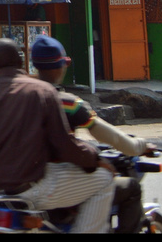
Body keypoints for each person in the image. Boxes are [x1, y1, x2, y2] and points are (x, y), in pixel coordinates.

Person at [0, 39, 115, 234]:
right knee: (105, 179)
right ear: (21, 61)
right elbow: (63, 144)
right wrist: (92, 158)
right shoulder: (42, 91)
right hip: (31, 188)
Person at [31, 35, 154, 233]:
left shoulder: (23, 100)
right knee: (129, 187)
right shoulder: (67, 103)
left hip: (27, 180)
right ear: (61, 66)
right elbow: (112, 137)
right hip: (57, 182)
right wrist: (141, 145)